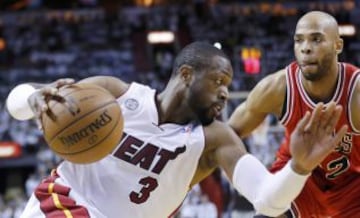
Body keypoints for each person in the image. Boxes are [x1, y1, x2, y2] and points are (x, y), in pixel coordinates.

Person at [6, 42, 346, 218]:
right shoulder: (116, 94)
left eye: (228, 85)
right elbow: (16, 101)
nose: (225, 93)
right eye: (218, 81)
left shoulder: (215, 140)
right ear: (186, 75)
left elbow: (268, 201)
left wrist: (299, 166)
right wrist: (35, 97)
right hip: (64, 204)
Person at [228, 11, 360, 218]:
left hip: (352, 189)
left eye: (316, 39)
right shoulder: (278, 88)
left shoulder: (356, 93)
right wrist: (251, 179)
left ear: (338, 45)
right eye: (299, 40)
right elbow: (226, 136)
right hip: (298, 179)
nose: (306, 48)